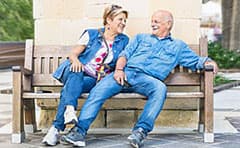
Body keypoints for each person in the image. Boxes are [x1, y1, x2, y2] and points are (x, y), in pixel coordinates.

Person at [62, 10, 218, 147]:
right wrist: (119, 69)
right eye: (152, 21)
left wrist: (209, 62)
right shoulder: (140, 38)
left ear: (168, 24)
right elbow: (124, 55)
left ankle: (140, 131)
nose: (152, 24)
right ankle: (79, 132)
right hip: (125, 73)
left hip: (148, 80)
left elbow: (196, 61)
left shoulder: (178, 46)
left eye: (156, 22)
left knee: (160, 89)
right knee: (98, 91)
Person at [42, 4, 129, 146]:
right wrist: (76, 61)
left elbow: (123, 59)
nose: (123, 23)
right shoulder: (91, 34)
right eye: (120, 19)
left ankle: (56, 128)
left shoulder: (124, 40)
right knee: (76, 72)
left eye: (125, 20)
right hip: (75, 72)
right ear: (108, 20)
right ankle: (69, 110)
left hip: (94, 80)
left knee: (68, 90)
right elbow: (73, 54)